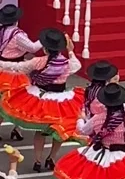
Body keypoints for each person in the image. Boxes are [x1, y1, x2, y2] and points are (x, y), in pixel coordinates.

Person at [0, 28, 82, 171]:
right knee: (58, 131)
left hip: (40, 98)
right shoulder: (67, 63)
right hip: (61, 101)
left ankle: (37, 160)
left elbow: (17, 67)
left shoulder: (37, 62)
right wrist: (70, 51)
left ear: (45, 48)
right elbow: (77, 65)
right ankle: (51, 158)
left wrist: (1, 64)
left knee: (41, 131)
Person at [0, 3, 41, 142]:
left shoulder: (1, 31)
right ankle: (17, 129)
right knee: (18, 101)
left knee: (3, 100)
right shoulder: (18, 35)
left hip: (2, 68)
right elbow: (33, 48)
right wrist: (44, 39)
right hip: (15, 71)